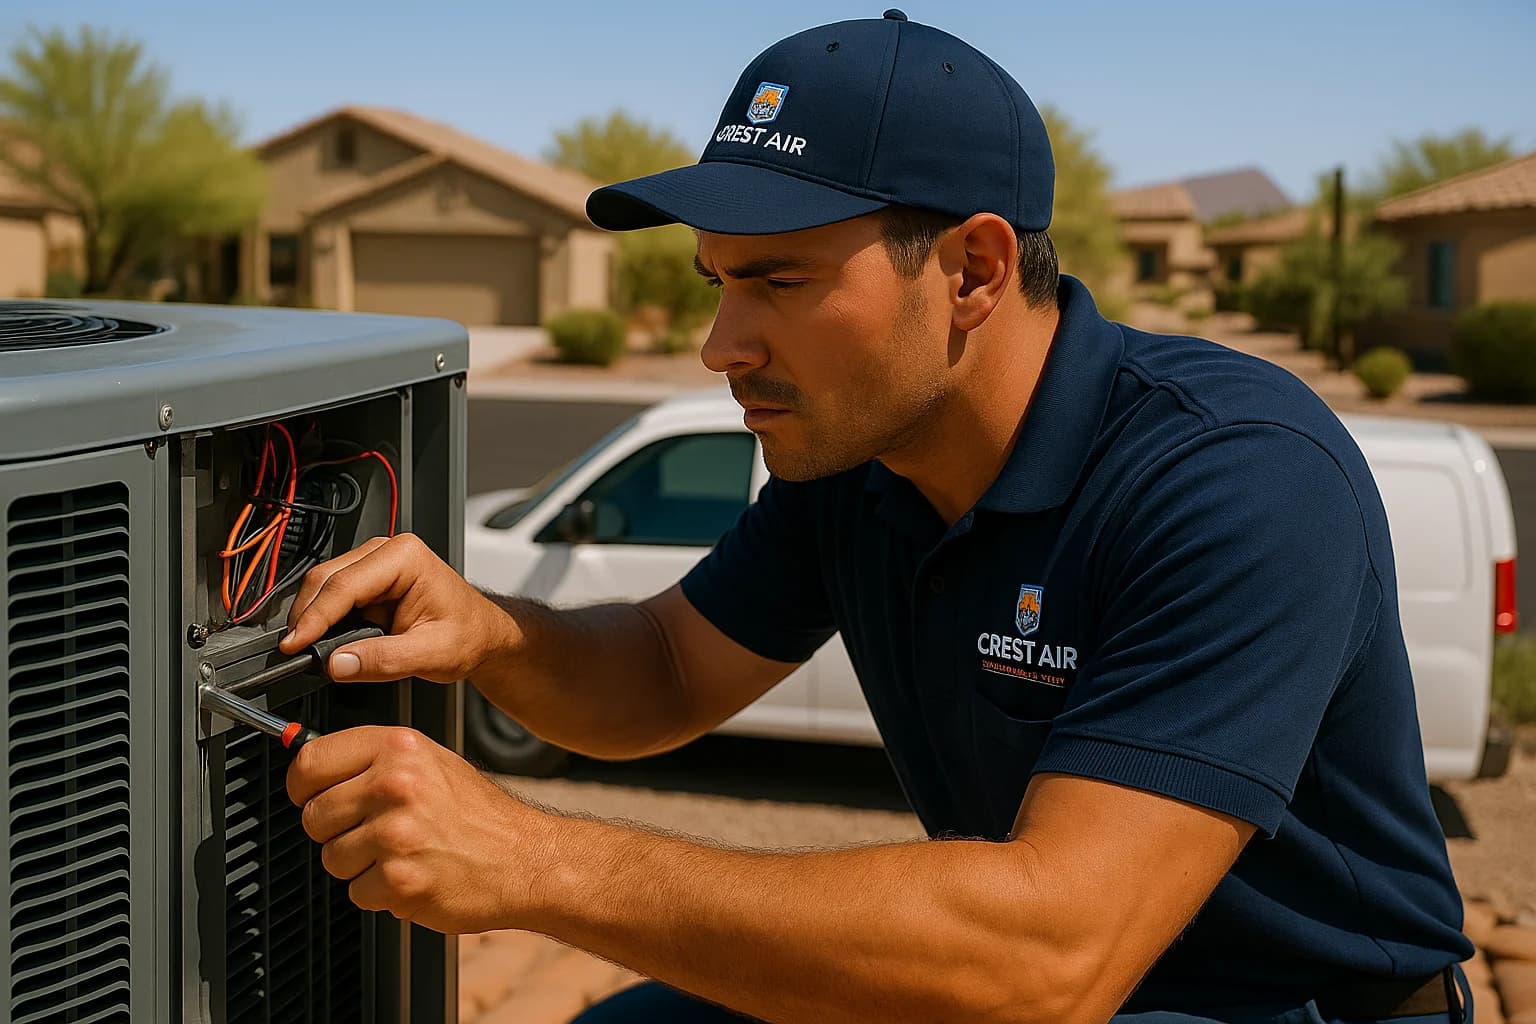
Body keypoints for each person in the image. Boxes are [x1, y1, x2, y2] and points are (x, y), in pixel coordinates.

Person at [281, 11, 1476, 1023]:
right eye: (718, 280)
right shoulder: (860, 460)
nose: (720, 345)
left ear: (973, 269)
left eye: (779, 282)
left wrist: (532, 859)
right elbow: (660, 669)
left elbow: (1053, 949)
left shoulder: (1232, 476)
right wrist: (491, 632)